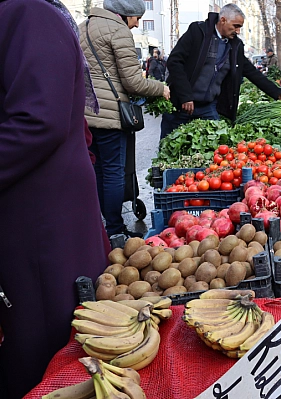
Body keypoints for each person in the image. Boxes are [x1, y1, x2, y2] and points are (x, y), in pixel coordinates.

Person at [0, 0, 111, 396]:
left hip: (41, 213)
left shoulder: (28, 12)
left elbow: (39, 119)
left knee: (42, 341)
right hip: (37, 205)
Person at [80, 0, 170, 239]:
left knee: (99, 171)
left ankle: (102, 227)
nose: (137, 23)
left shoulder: (83, 27)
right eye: (136, 18)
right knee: (113, 173)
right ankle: (114, 230)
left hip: (86, 113)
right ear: (124, 14)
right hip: (111, 115)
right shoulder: (117, 31)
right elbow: (132, 81)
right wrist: (160, 89)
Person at [161, 4, 281, 139]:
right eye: (236, 26)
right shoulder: (198, 32)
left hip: (208, 107)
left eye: (240, 27)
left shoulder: (235, 46)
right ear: (223, 20)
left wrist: (277, 93)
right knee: (169, 146)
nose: (238, 31)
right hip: (181, 104)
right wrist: (185, 96)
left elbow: (252, 73)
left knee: (217, 147)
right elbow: (174, 62)